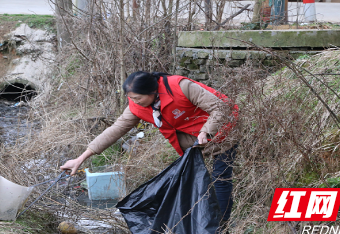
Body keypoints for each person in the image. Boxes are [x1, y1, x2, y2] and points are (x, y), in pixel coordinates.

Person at [59, 71, 239, 223]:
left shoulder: (180, 86)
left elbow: (221, 107)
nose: (135, 102)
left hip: (221, 131)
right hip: (192, 145)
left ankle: (221, 229)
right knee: (194, 182)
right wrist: (81, 158)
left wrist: (206, 132)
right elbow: (115, 130)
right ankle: (199, 225)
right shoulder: (137, 107)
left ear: (153, 91)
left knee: (220, 180)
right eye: (131, 99)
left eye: (138, 98)